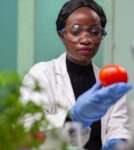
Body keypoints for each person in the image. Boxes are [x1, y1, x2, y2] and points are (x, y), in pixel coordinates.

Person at [20, 0, 132, 149]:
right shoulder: (42, 74)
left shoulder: (109, 80)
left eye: (94, 32)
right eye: (76, 31)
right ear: (62, 35)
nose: (86, 40)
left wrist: (118, 142)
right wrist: (72, 118)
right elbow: (29, 128)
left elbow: (119, 127)